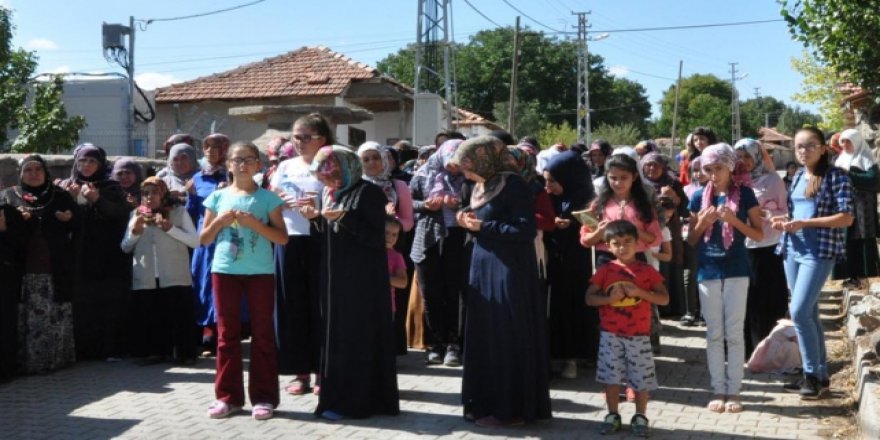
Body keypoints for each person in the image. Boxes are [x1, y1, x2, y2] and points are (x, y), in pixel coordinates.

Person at [450, 135, 552, 427]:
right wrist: (464, 219)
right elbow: (480, 219)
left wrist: (484, 226)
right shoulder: (481, 184)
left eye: (468, 165)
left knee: (505, 336)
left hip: (510, 269)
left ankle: (511, 409)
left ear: (483, 159)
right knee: (485, 336)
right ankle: (484, 402)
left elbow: (524, 229)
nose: (464, 172)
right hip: (483, 264)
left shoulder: (513, 184)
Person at [310, 145, 400, 420]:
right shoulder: (330, 193)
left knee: (357, 339)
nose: (328, 182)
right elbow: (330, 235)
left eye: (332, 175)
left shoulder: (369, 193)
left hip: (362, 283)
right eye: (324, 177)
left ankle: (356, 404)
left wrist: (345, 218)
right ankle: (336, 398)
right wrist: (315, 220)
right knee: (338, 339)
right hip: (336, 280)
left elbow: (376, 239)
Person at [200, 142, 288, 420]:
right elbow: (204, 239)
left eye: (249, 160)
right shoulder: (217, 197)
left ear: (258, 165)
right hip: (224, 271)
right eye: (237, 160)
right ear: (228, 165)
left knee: (262, 335)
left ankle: (264, 398)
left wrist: (256, 225)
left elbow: (282, 238)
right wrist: (218, 224)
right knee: (227, 336)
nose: (242, 165)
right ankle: (228, 397)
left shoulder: (268, 199)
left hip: (260, 272)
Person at [772, 126, 853, 399]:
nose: (803, 151)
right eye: (798, 147)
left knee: (798, 312)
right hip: (792, 251)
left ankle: (811, 374)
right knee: (809, 313)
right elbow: (796, 213)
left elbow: (846, 217)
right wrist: (782, 222)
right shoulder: (796, 177)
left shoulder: (836, 176)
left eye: (809, 145)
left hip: (818, 252)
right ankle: (819, 374)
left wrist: (805, 223)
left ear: (823, 148)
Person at [687, 143, 764, 413]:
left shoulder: (745, 194)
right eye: (708, 169)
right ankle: (717, 388)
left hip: (736, 269)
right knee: (713, 333)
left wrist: (734, 221)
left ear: (730, 167)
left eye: (718, 168)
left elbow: (758, 234)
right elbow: (691, 239)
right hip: (707, 270)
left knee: (733, 332)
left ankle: (734, 391)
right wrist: (702, 223)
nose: (713, 174)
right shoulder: (698, 196)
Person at [585, 219, 669, 437]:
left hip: (639, 336)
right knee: (610, 378)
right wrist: (607, 299)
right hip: (610, 335)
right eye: (616, 243)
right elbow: (589, 298)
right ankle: (612, 415)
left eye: (627, 242)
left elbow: (664, 298)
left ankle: (640, 416)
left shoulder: (647, 270)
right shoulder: (605, 270)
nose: (622, 247)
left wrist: (640, 293)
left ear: (637, 243)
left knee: (640, 379)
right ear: (608, 246)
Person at [0, 155, 77, 375]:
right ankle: (28, 362)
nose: (33, 174)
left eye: (37, 169)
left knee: (55, 313)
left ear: (45, 172)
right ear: (20, 174)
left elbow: (77, 224)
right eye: (28, 170)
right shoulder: (8, 196)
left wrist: (69, 218)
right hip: (22, 268)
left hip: (55, 265)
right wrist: (16, 223)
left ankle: (55, 360)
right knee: (27, 316)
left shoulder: (59, 195)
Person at [270, 113, 328, 395]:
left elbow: (340, 199)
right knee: (291, 308)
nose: (299, 142)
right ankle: (299, 372)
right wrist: (277, 201)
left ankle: (322, 371)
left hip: (320, 240)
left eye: (306, 137)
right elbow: (271, 199)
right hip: (288, 239)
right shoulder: (285, 166)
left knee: (320, 307)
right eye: (296, 137)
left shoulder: (331, 163)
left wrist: (317, 205)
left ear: (322, 139)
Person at [59, 143, 132, 361]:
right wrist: (70, 200)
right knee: (84, 303)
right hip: (81, 254)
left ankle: (111, 349)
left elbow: (120, 213)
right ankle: (85, 350)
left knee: (110, 302)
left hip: (109, 255)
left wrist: (96, 199)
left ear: (100, 164)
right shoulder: (68, 186)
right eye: (82, 161)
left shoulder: (111, 187)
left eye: (92, 161)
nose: (87, 165)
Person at [121, 177, 199, 365]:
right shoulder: (136, 215)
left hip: (174, 275)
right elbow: (125, 247)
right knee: (150, 316)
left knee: (178, 316)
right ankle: (153, 352)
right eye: (145, 193)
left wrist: (170, 228)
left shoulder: (178, 212)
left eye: (154, 192)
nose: (149, 197)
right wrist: (135, 232)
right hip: (146, 275)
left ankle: (183, 353)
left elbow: (195, 241)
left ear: (163, 193)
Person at [410, 139, 469, 366]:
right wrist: (426, 205)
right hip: (427, 239)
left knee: (454, 292)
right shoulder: (424, 175)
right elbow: (408, 204)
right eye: (451, 163)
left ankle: (454, 343)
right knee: (430, 292)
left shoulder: (469, 178)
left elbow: (477, 204)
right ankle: (436, 343)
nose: (454, 168)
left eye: (458, 163)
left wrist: (459, 205)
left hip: (457, 237)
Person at [543, 149, 597, 379]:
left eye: (553, 182)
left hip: (577, 260)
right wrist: (551, 221)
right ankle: (555, 354)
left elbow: (595, 225)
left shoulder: (587, 196)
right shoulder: (547, 198)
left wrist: (575, 223)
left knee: (574, 305)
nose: (548, 187)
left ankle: (574, 357)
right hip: (552, 258)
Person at [733, 138, 789, 357]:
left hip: (767, 245)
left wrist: (766, 214)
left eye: (747, 156)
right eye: (739, 157)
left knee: (767, 298)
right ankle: (746, 348)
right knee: (746, 298)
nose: (743, 161)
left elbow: (786, 211)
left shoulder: (773, 180)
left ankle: (768, 348)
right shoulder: (735, 181)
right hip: (742, 244)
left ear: (757, 156)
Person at [358, 141, 415, 355]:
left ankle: (393, 349)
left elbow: (409, 221)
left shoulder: (398, 187)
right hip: (365, 248)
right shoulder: (356, 186)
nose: (372, 163)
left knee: (394, 299)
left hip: (393, 247)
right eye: (366, 159)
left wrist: (392, 220)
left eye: (375, 157)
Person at [189, 134, 230, 357]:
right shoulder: (196, 179)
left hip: (227, 235)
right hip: (204, 237)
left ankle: (221, 331)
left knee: (222, 283)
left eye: (216, 147)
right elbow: (191, 211)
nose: (210, 151)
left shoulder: (233, 176)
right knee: (202, 282)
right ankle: (204, 330)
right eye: (206, 146)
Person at [639, 152, 689, 317]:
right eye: (648, 164)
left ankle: (672, 308)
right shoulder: (639, 185)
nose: (652, 168)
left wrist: (674, 197)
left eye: (656, 165)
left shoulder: (672, 183)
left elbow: (684, 209)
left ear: (663, 167)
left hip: (670, 229)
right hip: (647, 232)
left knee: (670, 264)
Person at [832, 128, 880, 288]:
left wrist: (850, 174)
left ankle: (866, 277)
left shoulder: (866, 158)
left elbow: (874, 180)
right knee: (846, 239)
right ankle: (850, 276)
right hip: (844, 205)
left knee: (862, 239)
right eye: (842, 141)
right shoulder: (840, 159)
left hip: (863, 207)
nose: (845, 144)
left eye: (848, 141)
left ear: (857, 141)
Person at [681, 157, 707, 326]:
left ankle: (705, 312)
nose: (698, 174)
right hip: (689, 237)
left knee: (706, 275)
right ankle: (691, 311)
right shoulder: (687, 190)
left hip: (710, 238)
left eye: (701, 169)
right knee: (690, 274)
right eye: (694, 170)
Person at [161, 143, 200, 216]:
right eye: (175, 159)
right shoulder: (163, 180)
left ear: (192, 158)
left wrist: (183, 196)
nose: (179, 163)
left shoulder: (202, 178)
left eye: (184, 158)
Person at [385, 217, 408, 314]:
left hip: (386, 307)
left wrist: (382, 277)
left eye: (394, 235)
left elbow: (403, 282)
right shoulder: (368, 252)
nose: (390, 237)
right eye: (386, 233)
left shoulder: (396, 256)